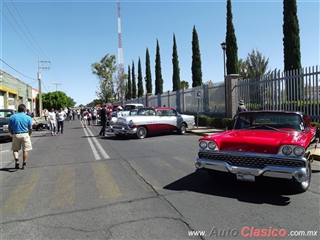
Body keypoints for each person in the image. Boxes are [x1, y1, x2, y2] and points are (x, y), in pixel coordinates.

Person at [8, 104, 33, 170]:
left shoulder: (12, 117)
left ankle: (17, 160)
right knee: (25, 150)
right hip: (25, 134)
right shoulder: (28, 117)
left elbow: (9, 127)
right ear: (24, 110)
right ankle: (24, 164)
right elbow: (30, 128)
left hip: (16, 134)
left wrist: (12, 133)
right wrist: (29, 134)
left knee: (15, 149)